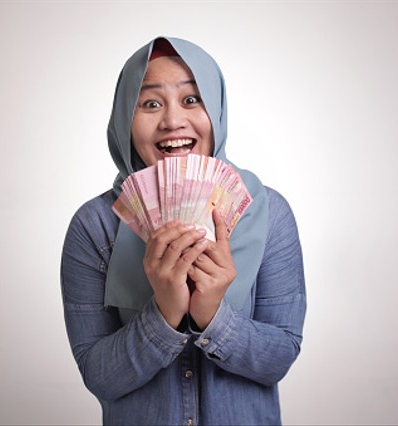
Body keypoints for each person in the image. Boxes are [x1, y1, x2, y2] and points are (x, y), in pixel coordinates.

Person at [60, 36, 306, 426]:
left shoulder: (268, 213)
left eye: (192, 100)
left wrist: (213, 318)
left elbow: (279, 358)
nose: (173, 120)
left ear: (217, 111)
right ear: (125, 116)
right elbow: (99, 376)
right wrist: (164, 313)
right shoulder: (94, 226)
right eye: (151, 103)